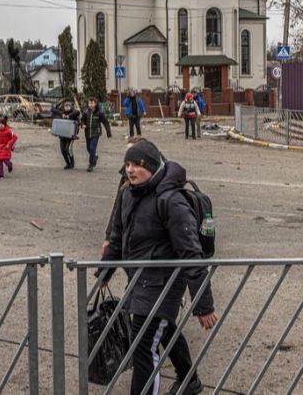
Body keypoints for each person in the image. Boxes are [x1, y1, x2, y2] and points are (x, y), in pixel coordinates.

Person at [101, 140, 217, 394]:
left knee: (144, 346)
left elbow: (191, 255)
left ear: (152, 166)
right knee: (154, 336)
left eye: (137, 165)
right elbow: (118, 238)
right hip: (139, 281)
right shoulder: (128, 195)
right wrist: (104, 272)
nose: (130, 170)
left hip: (163, 284)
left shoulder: (171, 201)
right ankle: (189, 379)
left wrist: (203, 305)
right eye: (127, 164)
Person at [80, 96, 112, 172]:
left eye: (92, 103)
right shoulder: (86, 112)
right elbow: (82, 120)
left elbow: (105, 122)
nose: (90, 104)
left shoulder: (99, 112)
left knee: (92, 148)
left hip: (96, 133)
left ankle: (91, 165)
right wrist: (82, 124)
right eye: (89, 103)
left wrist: (108, 132)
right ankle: (94, 157)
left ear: (95, 104)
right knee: (88, 148)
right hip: (88, 133)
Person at [56, 100, 80, 169]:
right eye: (65, 106)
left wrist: (68, 116)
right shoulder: (62, 113)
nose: (66, 108)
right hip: (62, 136)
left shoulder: (74, 113)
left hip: (70, 136)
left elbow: (77, 112)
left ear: (71, 107)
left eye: (68, 106)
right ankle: (68, 163)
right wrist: (62, 114)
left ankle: (72, 163)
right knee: (63, 151)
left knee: (68, 149)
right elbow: (53, 110)